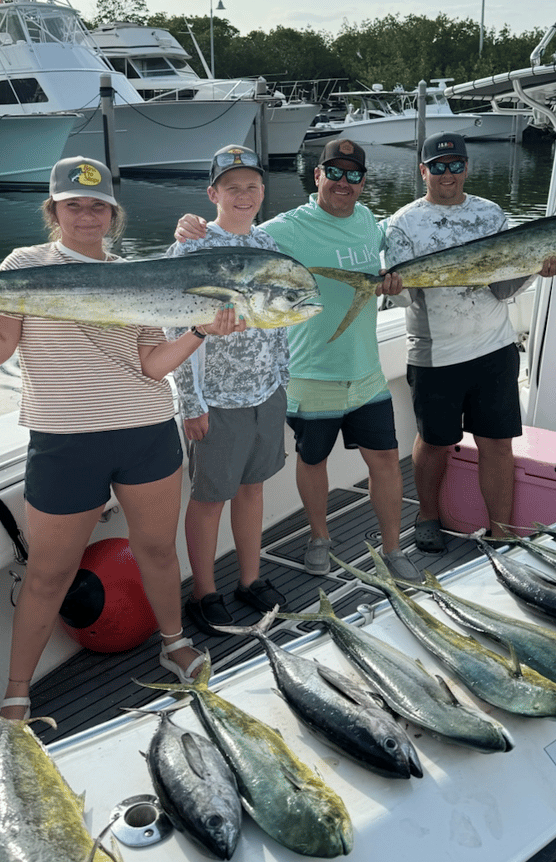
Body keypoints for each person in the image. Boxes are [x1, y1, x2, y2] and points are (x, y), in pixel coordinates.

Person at [0, 155, 236, 719]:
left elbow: (151, 365)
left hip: (145, 430)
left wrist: (197, 329)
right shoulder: (26, 263)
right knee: (47, 573)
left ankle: (174, 643)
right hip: (66, 440)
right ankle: (17, 693)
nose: (86, 215)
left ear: (112, 214)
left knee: (160, 551)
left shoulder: (132, 276)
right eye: (74, 204)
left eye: (97, 205)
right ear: (54, 210)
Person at [176, 137, 422, 582]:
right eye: (335, 172)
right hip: (303, 379)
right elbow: (184, 304)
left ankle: (392, 548)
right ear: (318, 176)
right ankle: (317, 539)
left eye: (354, 174)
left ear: (363, 182)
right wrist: (188, 226)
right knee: (309, 463)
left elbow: (400, 254)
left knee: (384, 461)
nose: (344, 182)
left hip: (361, 373)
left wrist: (395, 281)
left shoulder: (366, 222)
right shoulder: (282, 230)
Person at [384, 132, 556, 552]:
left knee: (497, 444)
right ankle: (427, 514)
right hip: (436, 355)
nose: (447, 175)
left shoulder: (490, 214)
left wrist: (537, 270)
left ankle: (502, 529)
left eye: (455, 166)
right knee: (434, 443)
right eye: (438, 166)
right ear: (423, 171)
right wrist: (391, 286)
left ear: (467, 167)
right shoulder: (402, 223)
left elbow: (503, 290)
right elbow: (400, 295)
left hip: (493, 349)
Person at [165, 145, 290, 635]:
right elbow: (176, 332)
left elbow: (282, 324)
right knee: (210, 496)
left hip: (267, 394)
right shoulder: (190, 248)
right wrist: (190, 403)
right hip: (215, 400)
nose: (243, 195)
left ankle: (250, 579)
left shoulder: (271, 244)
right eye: (232, 187)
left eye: (252, 186)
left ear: (263, 191)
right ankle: (203, 590)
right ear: (213, 193)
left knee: (253, 488)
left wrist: (281, 381)